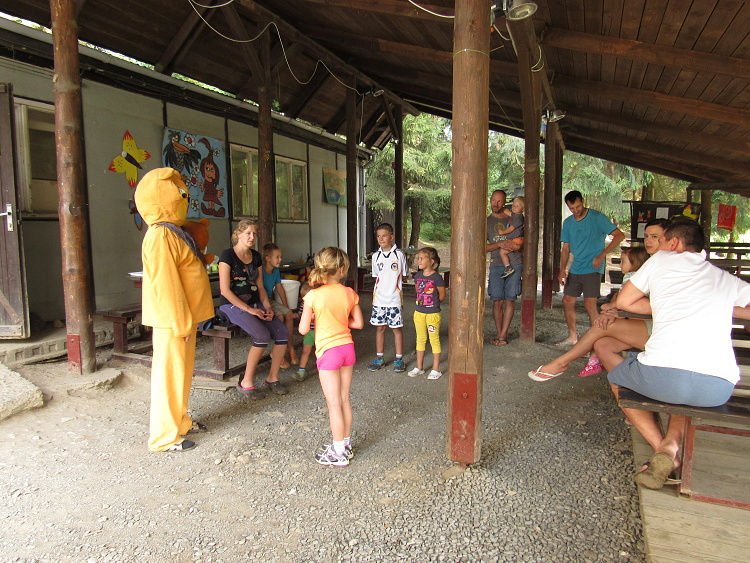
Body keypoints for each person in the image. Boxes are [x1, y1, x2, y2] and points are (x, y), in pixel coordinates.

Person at [607, 220, 750, 489]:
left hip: (663, 377)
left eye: (661, 240)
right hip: (717, 388)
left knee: (617, 378)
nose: (657, 245)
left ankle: (661, 451)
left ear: (673, 243)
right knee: (683, 396)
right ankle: (670, 447)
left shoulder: (662, 260)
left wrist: (667, 303)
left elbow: (624, 302)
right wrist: (717, 305)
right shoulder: (723, 278)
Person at [529, 219, 670, 382]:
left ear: (669, 238)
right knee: (602, 345)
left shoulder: (666, 266)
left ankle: (561, 363)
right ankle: (629, 387)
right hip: (647, 323)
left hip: (664, 329)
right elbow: (626, 296)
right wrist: (616, 308)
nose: (649, 241)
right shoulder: (651, 263)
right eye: (646, 236)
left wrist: (618, 310)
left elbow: (656, 305)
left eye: (654, 237)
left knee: (603, 325)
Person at [135, 167, 214, 452]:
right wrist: (180, 322)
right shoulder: (160, 235)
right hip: (173, 321)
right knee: (169, 376)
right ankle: (163, 437)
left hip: (183, 319)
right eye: (181, 194)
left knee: (182, 373)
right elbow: (166, 284)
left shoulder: (173, 232)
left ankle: (180, 422)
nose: (185, 200)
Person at [299, 247, 364, 467]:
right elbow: (358, 323)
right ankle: (345, 445)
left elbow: (302, 329)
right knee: (344, 399)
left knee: (333, 403)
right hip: (347, 348)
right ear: (342, 269)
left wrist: (319, 320)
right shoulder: (349, 293)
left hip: (328, 351)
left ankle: (338, 453)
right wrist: (341, 321)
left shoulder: (312, 295)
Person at [219, 220, 289, 399]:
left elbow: (260, 287)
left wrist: (267, 307)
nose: (252, 237)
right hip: (231, 305)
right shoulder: (227, 255)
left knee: (282, 332)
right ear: (238, 234)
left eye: (254, 234)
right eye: (248, 233)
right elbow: (225, 290)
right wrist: (249, 310)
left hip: (255, 302)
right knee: (262, 335)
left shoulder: (256, 256)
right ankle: (246, 382)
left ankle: (272, 378)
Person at [557, 190, 625, 347]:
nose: (576, 210)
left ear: (582, 200)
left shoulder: (597, 217)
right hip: (576, 267)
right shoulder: (568, 223)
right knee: (567, 301)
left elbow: (619, 236)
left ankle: (597, 341)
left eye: (578, 206)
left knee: (589, 303)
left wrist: (602, 255)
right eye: (572, 208)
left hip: (593, 267)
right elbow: (566, 248)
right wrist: (562, 270)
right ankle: (572, 337)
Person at [367, 223, 409, 372]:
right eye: (378, 236)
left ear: (391, 237)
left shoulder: (399, 255)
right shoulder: (375, 256)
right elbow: (376, 276)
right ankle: (379, 358)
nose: (381, 239)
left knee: (396, 329)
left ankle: (399, 359)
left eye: (384, 235)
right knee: (380, 328)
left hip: (394, 299)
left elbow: (404, 275)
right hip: (379, 299)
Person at [486, 189, 522, 346]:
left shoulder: (514, 218)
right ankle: (498, 332)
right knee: (497, 301)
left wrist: (518, 246)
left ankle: (503, 335)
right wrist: (499, 244)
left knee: (510, 299)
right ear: (490, 200)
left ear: (505, 202)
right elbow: (483, 247)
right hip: (496, 264)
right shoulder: (487, 221)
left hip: (514, 262)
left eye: (500, 201)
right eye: (494, 200)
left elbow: (525, 239)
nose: (496, 204)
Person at [408, 247, 446, 380]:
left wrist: (432, 304)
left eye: (422, 258)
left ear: (431, 261)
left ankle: (436, 369)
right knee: (420, 339)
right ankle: (419, 367)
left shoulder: (437, 277)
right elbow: (418, 291)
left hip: (433, 314)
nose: (418, 261)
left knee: (434, 340)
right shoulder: (418, 276)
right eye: (418, 258)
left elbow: (442, 295)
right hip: (419, 312)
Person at [262, 242, 300, 369]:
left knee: (288, 314)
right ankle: (277, 352)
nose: (280, 259)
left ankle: (290, 348)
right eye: (277, 257)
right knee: (280, 317)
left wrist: (287, 307)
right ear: (268, 258)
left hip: (270, 301)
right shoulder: (261, 271)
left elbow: (280, 290)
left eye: (280, 257)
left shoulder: (276, 271)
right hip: (262, 301)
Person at [495, 196, 525, 279]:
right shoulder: (515, 215)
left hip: (516, 240)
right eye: (513, 205)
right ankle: (507, 267)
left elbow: (511, 228)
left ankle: (508, 267)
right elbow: (508, 212)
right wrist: (502, 207)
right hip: (514, 239)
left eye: (517, 206)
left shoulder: (518, 218)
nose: (514, 207)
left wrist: (503, 232)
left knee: (502, 252)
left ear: (523, 209)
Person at [293, 283, 315, 382]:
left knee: (321, 352)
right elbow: (301, 313)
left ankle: (324, 368)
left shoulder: (319, 304)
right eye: (303, 297)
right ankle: (301, 370)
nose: (304, 299)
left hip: (320, 331)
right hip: (309, 332)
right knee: (305, 351)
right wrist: (296, 316)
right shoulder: (303, 304)